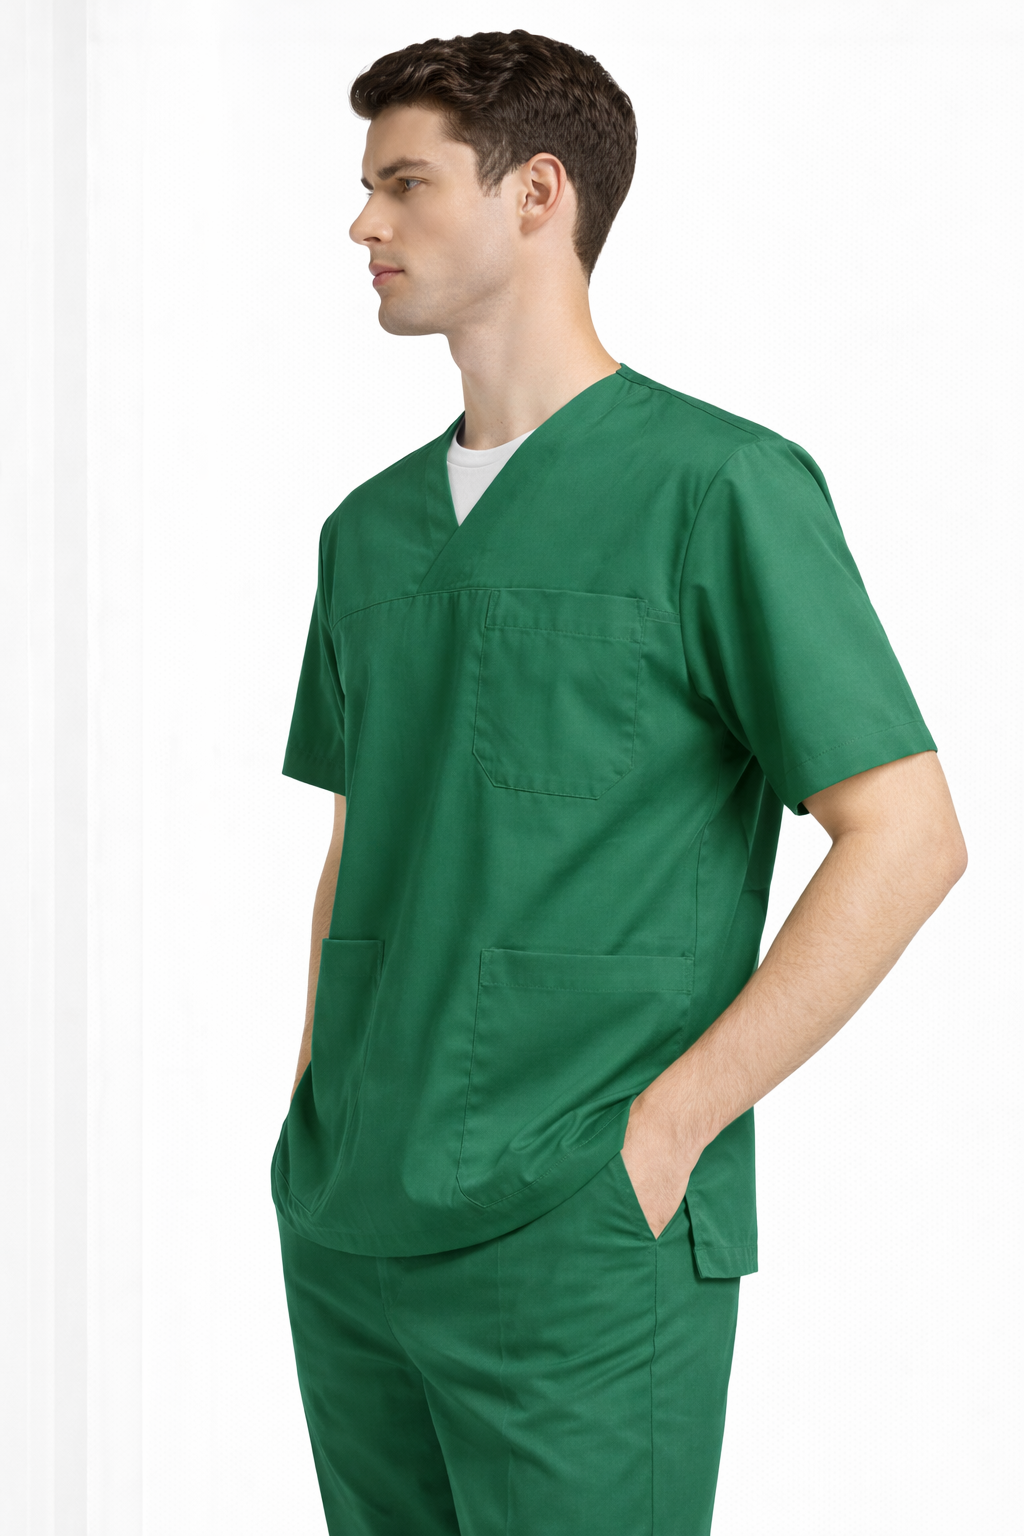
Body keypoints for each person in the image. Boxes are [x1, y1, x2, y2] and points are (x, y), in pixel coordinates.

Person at [270, 29, 966, 1536]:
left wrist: (669, 1133)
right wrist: (317, 1108)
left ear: (537, 195)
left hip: (580, 1232)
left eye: (405, 184)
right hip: (350, 1222)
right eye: (367, 186)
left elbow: (907, 833)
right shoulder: (366, 534)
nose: (362, 223)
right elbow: (360, 852)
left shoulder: (718, 488)